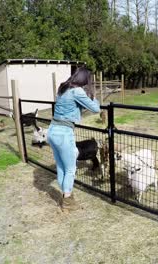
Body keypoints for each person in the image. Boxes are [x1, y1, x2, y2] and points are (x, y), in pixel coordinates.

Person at [47, 67, 100, 212]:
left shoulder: (63, 88)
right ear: (85, 80)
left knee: (61, 167)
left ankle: (65, 195)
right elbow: (96, 109)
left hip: (52, 130)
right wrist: (93, 96)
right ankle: (68, 202)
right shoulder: (78, 91)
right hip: (64, 132)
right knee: (70, 169)